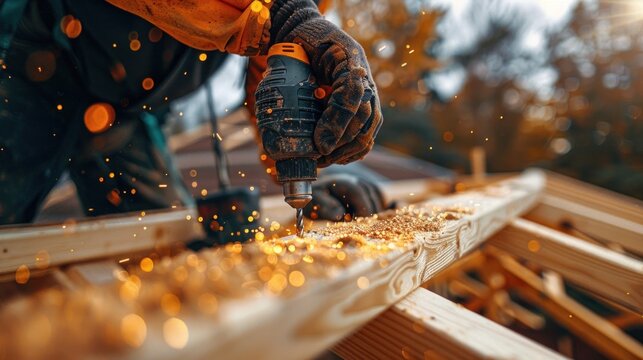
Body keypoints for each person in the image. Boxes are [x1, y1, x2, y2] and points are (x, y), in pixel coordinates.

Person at [0, 0, 385, 225]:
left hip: (124, 108)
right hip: (34, 60)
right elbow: (279, 21)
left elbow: (274, 68)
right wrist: (282, 18)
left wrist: (299, 166)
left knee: (159, 233)